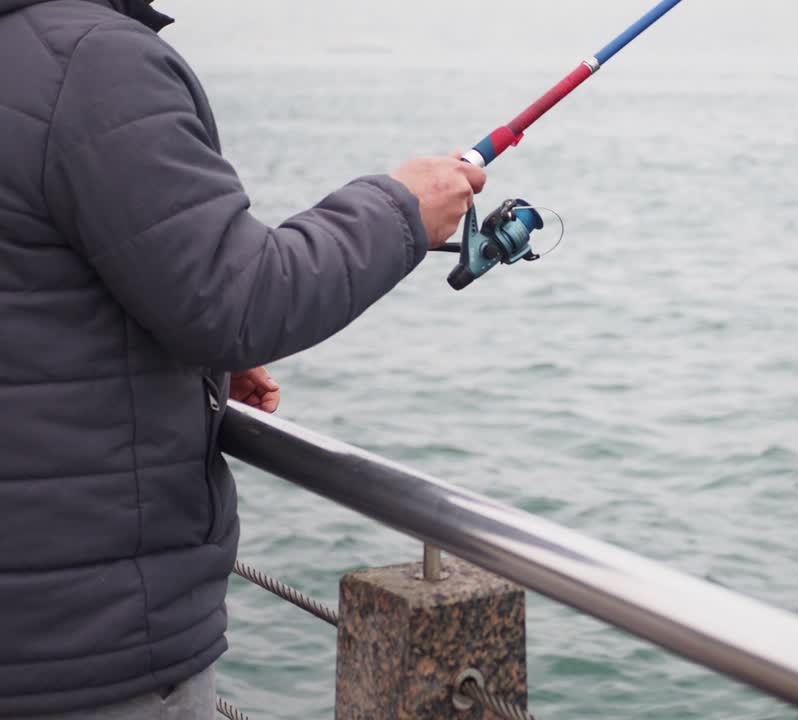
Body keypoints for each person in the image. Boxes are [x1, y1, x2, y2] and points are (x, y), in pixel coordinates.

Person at [0, 0, 486, 716]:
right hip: (80, 655)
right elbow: (239, 301)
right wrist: (401, 209)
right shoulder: (90, 62)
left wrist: (182, 364)